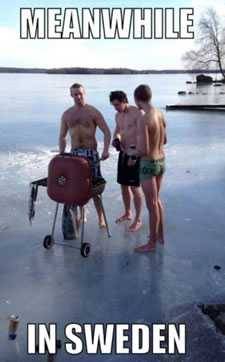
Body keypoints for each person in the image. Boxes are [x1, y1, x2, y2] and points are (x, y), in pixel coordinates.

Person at [59, 83, 111, 228]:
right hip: (74, 155)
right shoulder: (67, 114)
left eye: (80, 93)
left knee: (95, 188)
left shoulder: (92, 111)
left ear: (84, 93)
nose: (78, 97)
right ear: (71, 95)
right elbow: (62, 136)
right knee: (76, 187)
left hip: (90, 154)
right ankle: (80, 215)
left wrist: (106, 150)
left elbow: (106, 131)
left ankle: (101, 217)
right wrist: (61, 153)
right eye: (75, 94)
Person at [134, 84, 166, 252]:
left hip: (148, 164)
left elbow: (143, 150)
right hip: (161, 161)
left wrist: (131, 151)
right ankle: (160, 236)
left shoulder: (143, 119)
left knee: (151, 203)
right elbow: (165, 140)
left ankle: (152, 243)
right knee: (157, 200)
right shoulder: (160, 114)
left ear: (137, 100)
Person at [110, 90, 143, 232]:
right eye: (113, 105)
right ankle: (128, 212)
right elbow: (117, 130)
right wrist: (116, 139)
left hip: (135, 153)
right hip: (123, 153)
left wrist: (135, 156)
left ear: (124, 101)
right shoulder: (118, 115)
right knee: (123, 185)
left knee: (135, 188)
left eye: (117, 104)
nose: (116, 107)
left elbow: (143, 136)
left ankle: (138, 219)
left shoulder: (137, 113)